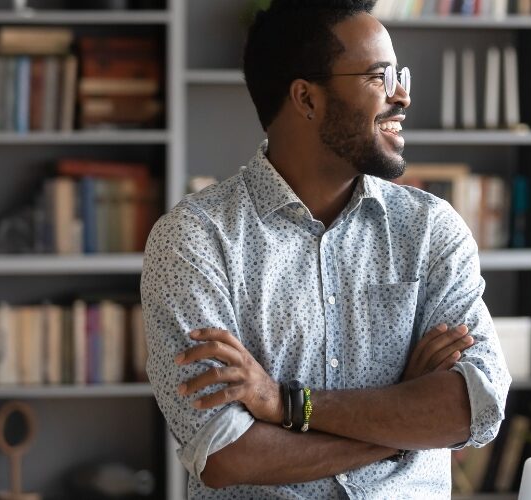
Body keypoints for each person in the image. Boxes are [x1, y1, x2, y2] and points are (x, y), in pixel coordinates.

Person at [140, 1, 511, 497]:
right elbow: (227, 454)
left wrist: (288, 405)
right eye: (379, 76)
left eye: (400, 75)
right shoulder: (194, 240)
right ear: (306, 98)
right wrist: (403, 422)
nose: (401, 95)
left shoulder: (430, 230)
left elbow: (475, 407)